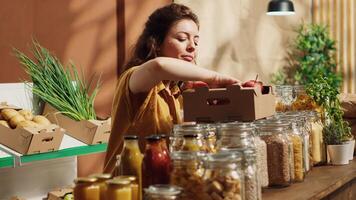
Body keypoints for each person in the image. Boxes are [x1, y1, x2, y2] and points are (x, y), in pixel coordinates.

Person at [104, 3, 240, 173]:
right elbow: (158, 66)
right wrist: (216, 77)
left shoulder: (178, 93)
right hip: (124, 190)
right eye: (182, 39)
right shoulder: (135, 78)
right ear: (156, 43)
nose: (192, 47)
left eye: (196, 41)